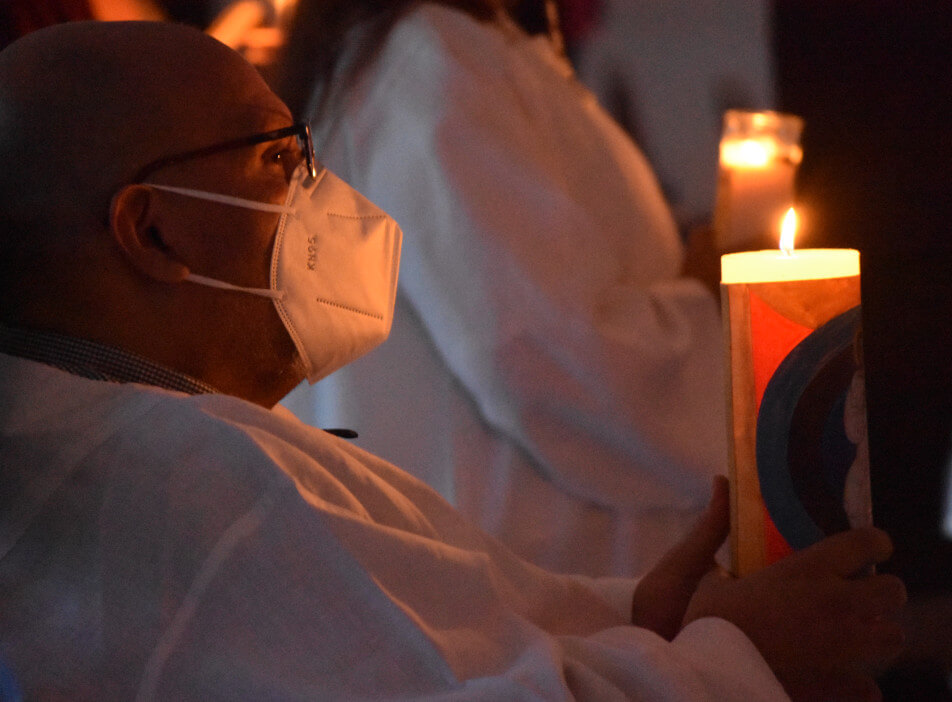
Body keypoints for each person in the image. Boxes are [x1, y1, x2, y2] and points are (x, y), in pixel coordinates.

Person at [0, 19, 908, 700]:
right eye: (282, 161)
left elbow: (449, 641)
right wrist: (736, 656)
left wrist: (641, 615)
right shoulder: (182, 490)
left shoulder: (147, 436)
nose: (324, 197)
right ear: (152, 232)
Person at [273, 0, 731, 578]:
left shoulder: (443, 53)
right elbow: (539, 351)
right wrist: (706, 299)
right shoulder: (431, 63)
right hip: (535, 568)